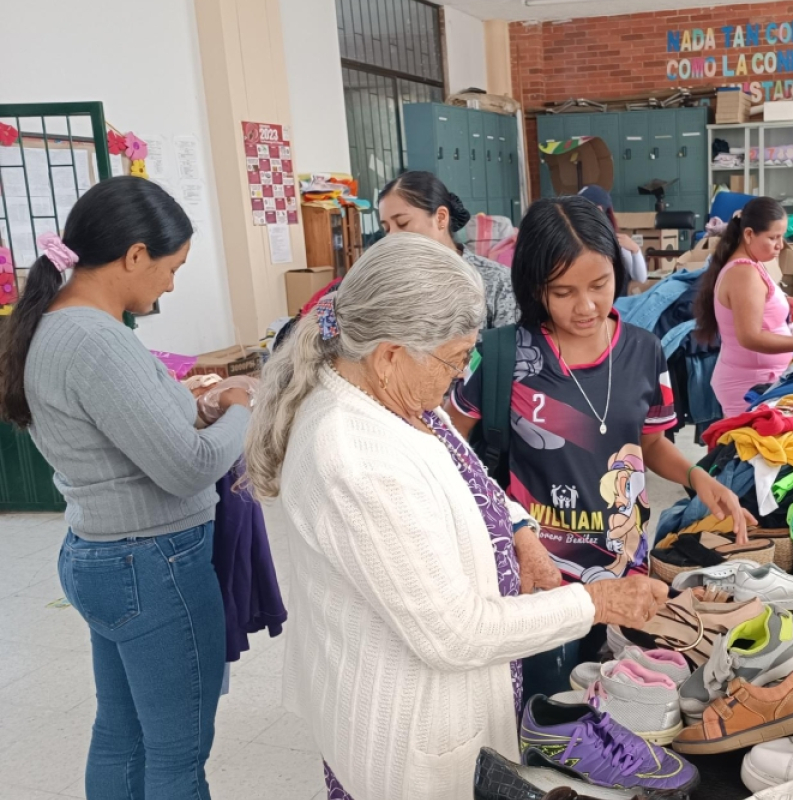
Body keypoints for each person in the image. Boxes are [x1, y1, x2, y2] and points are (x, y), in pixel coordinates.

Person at [243, 233, 668, 800]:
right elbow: (452, 634)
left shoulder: (396, 398)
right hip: (408, 734)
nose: (462, 370)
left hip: (451, 702)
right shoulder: (353, 455)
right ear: (392, 354)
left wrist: (521, 533)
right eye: (453, 358)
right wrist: (595, 602)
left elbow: (465, 474)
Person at [0, 177, 252, 799]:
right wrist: (242, 407)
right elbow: (190, 467)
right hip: (154, 563)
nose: (171, 283)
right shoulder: (95, 339)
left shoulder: (59, 326)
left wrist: (195, 406)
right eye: (172, 267)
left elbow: (131, 431)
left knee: (122, 733)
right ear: (136, 255)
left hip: (103, 553)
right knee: (177, 758)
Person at [446, 196, 752, 696]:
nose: (585, 306)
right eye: (563, 292)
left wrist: (698, 477)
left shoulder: (643, 350)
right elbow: (450, 450)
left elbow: (649, 444)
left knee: (621, 696)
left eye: (599, 285)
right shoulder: (503, 356)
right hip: (541, 575)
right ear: (535, 287)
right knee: (548, 702)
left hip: (625, 565)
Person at [694, 196, 793, 417]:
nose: (780, 244)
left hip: (757, 380)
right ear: (748, 234)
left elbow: (754, 301)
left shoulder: (750, 265)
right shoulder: (743, 272)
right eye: (773, 237)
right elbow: (749, 337)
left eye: (782, 236)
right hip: (748, 386)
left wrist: (783, 303)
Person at [379, 170, 519, 329]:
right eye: (386, 228)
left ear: (440, 218)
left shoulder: (497, 282)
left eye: (403, 223)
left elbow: (510, 351)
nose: (393, 236)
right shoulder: (389, 289)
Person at [578, 184, 648, 287]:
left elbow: (640, 278)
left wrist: (635, 250)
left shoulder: (618, 242)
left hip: (618, 301)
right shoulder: (574, 241)